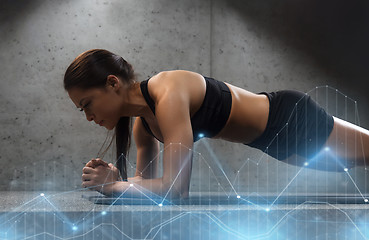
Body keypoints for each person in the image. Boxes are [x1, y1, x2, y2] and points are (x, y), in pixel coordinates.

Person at [64, 49, 369, 199]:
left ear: (113, 83)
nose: (89, 117)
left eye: (87, 104)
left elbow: (175, 189)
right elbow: (153, 189)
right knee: (354, 163)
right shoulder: (143, 126)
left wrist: (114, 186)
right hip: (271, 142)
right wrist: (120, 180)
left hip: (289, 119)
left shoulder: (167, 92)